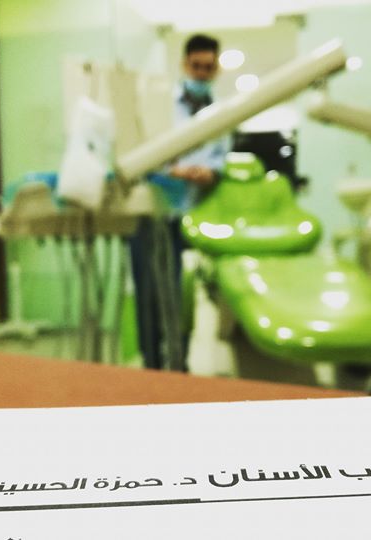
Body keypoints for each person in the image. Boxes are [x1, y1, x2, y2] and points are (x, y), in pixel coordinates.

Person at [130, 33, 229, 371]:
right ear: (184, 65)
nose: (201, 73)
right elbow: (142, 152)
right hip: (154, 211)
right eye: (196, 66)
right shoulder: (160, 105)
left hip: (190, 215)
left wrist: (210, 172)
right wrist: (173, 170)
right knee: (149, 294)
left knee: (181, 294)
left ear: (216, 69)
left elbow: (221, 158)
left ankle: (179, 364)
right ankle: (152, 365)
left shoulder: (221, 113)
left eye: (208, 67)